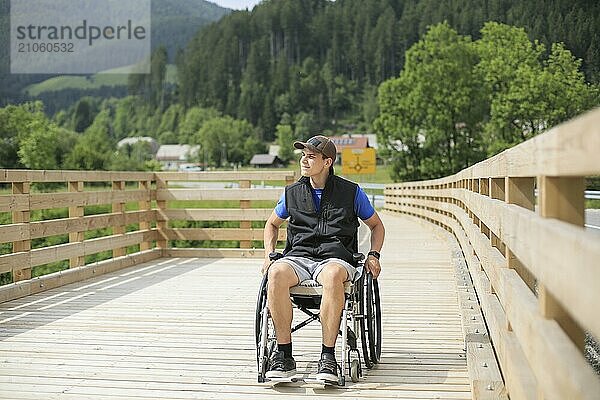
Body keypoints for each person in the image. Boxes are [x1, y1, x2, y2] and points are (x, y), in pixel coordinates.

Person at [262, 135, 385, 381]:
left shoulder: (351, 192)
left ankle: (328, 356)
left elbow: (376, 226)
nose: (304, 161)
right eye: (303, 156)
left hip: (335, 258)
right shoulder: (292, 193)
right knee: (275, 273)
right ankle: (284, 355)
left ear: (327, 162)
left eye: (311, 157)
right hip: (299, 257)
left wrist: (373, 255)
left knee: (332, 275)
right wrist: (268, 255)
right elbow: (271, 225)